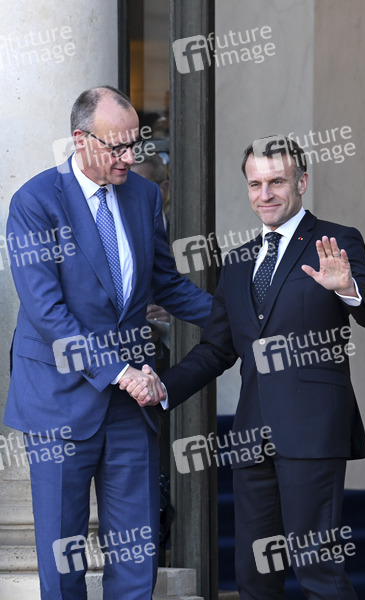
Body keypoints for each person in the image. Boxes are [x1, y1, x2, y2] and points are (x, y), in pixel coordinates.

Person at [123, 136, 365, 600]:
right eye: (255, 184)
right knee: (253, 578)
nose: (265, 194)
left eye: (277, 182)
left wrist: (347, 287)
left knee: (318, 571)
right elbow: (217, 349)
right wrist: (163, 388)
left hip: (312, 431)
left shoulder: (336, 240)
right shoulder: (238, 260)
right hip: (252, 437)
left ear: (301, 183)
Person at [4, 85, 212, 600]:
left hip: (129, 409)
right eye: (116, 147)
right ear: (80, 140)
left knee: (137, 561)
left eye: (135, 144)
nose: (129, 157)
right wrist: (121, 373)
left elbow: (165, 284)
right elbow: (48, 313)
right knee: (63, 564)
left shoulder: (144, 196)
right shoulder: (34, 202)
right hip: (59, 401)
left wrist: (238, 318)